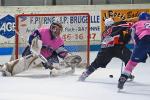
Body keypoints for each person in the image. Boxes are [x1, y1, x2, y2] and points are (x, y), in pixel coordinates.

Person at [0, 22, 82, 76]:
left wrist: (67, 56)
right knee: (29, 59)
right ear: (51, 28)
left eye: (59, 30)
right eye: (55, 29)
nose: (57, 32)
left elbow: (61, 51)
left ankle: (56, 69)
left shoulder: (59, 40)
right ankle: (8, 68)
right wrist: (35, 45)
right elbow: (32, 39)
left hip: (48, 55)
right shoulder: (42, 31)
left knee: (56, 66)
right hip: (34, 51)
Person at [78, 17, 134, 81]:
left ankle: (85, 74)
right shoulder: (116, 25)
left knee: (96, 63)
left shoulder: (104, 33)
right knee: (129, 57)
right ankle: (127, 73)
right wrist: (128, 33)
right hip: (118, 48)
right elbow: (129, 24)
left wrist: (126, 36)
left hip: (105, 50)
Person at [118, 12, 150, 90]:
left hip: (143, 40)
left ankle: (123, 78)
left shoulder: (136, 24)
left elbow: (134, 38)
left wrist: (137, 50)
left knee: (132, 63)